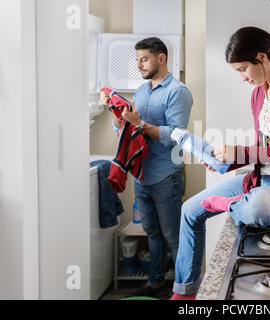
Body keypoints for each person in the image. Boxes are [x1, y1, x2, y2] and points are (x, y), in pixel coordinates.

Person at [170, 27, 270, 300]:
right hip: (262, 179)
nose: (242, 77)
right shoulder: (258, 94)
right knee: (189, 210)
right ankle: (185, 293)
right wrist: (228, 161)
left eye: (243, 69)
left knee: (256, 207)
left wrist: (238, 153)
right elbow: (264, 150)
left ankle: (232, 205)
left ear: (261, 58)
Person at [100, 37, 193, 299]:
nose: (139, 64)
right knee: (151, 232)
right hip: (141, 176)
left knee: (173, 236)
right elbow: (127, 129)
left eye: (144, 59)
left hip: (167, 176)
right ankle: (156, 283)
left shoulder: (178, 92)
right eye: (137, 59)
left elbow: (176, 134)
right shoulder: (141, 91)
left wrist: (140, 124)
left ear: (161, 58)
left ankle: (185, 291)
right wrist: (118, 116)